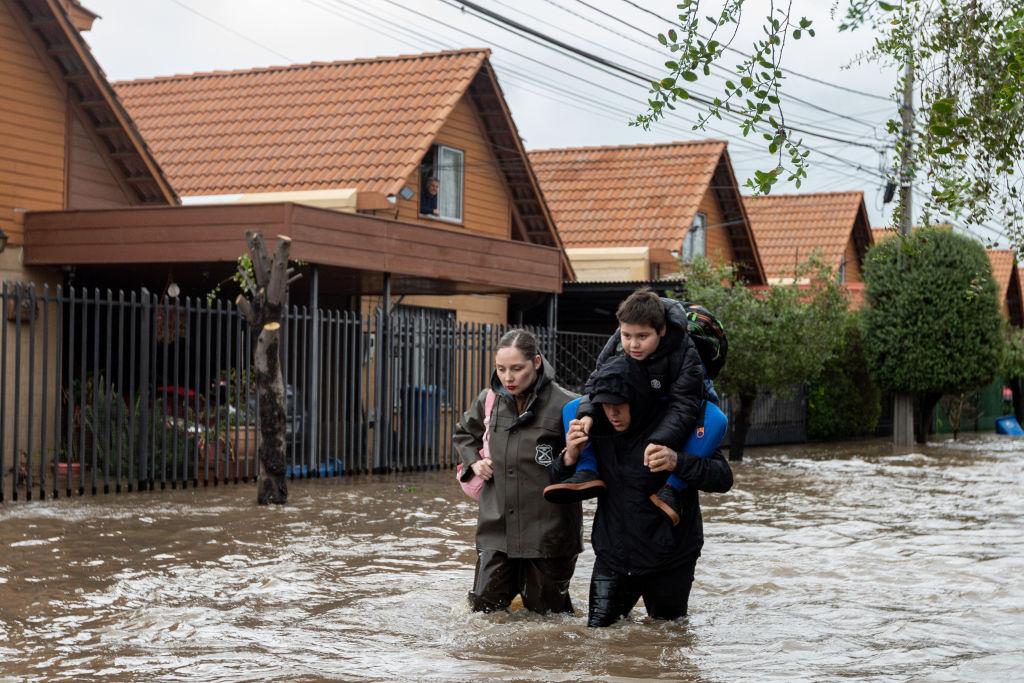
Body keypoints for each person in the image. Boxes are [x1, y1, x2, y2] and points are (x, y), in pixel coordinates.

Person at [551, 354, 733, 627]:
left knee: (668, 642)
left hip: (672, 556)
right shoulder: (594, 425)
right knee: (599, 640)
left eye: (619, 405)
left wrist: (677, 461)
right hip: (614, 554)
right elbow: (556, 478)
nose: (612, 413)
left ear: (637, 397)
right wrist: (569, 456)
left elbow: (722, 478)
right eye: (605, 405)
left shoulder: (675, 424)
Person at [544, 288, 706, 525]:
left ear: (661, 331)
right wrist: (587, 415)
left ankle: (674, 489)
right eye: (627, 335)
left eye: (642, 336)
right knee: (574, 409)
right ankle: (587, 471)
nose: (633, 345)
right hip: (615, 535)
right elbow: (595, 384)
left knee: (715, 420)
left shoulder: (684, 350)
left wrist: (659, 440)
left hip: (675, 404)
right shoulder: (615, 346)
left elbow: (685, 403)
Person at [453, 329, 582, 614]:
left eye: (517, 369)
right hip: (496, 528)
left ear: (536, 362)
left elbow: (588, 464)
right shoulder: (489, 400)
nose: (508, 377)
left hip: (548, 534)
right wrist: (474, 461)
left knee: (547, 620)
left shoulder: (568, 405)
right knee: (483, 614)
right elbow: (464, 434)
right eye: (501, 369)